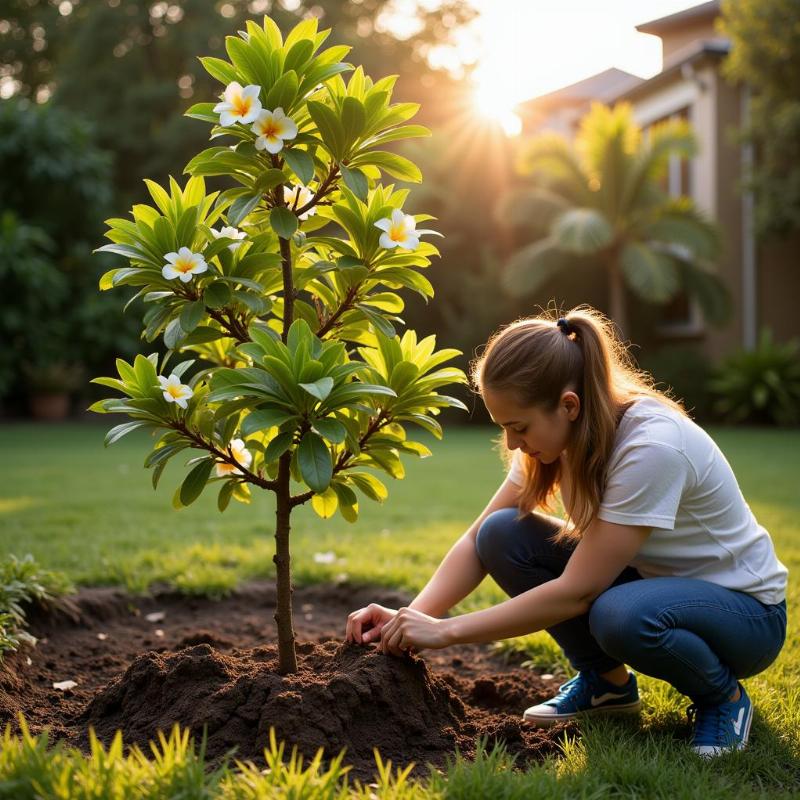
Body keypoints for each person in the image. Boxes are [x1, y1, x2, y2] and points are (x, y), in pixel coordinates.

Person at [345, 306, 788, 757]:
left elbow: (578, 591)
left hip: (746, 615)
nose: (514, 443)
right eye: (505, 429)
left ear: (569, 405)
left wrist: (447, 631)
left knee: (618, 614)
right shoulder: (554, 438)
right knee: (501, 533)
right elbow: (476, 542)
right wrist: (410, 619)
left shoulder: (652, 447)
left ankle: (723, 699)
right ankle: (607, 687)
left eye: (518, 427)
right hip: (658, 586)